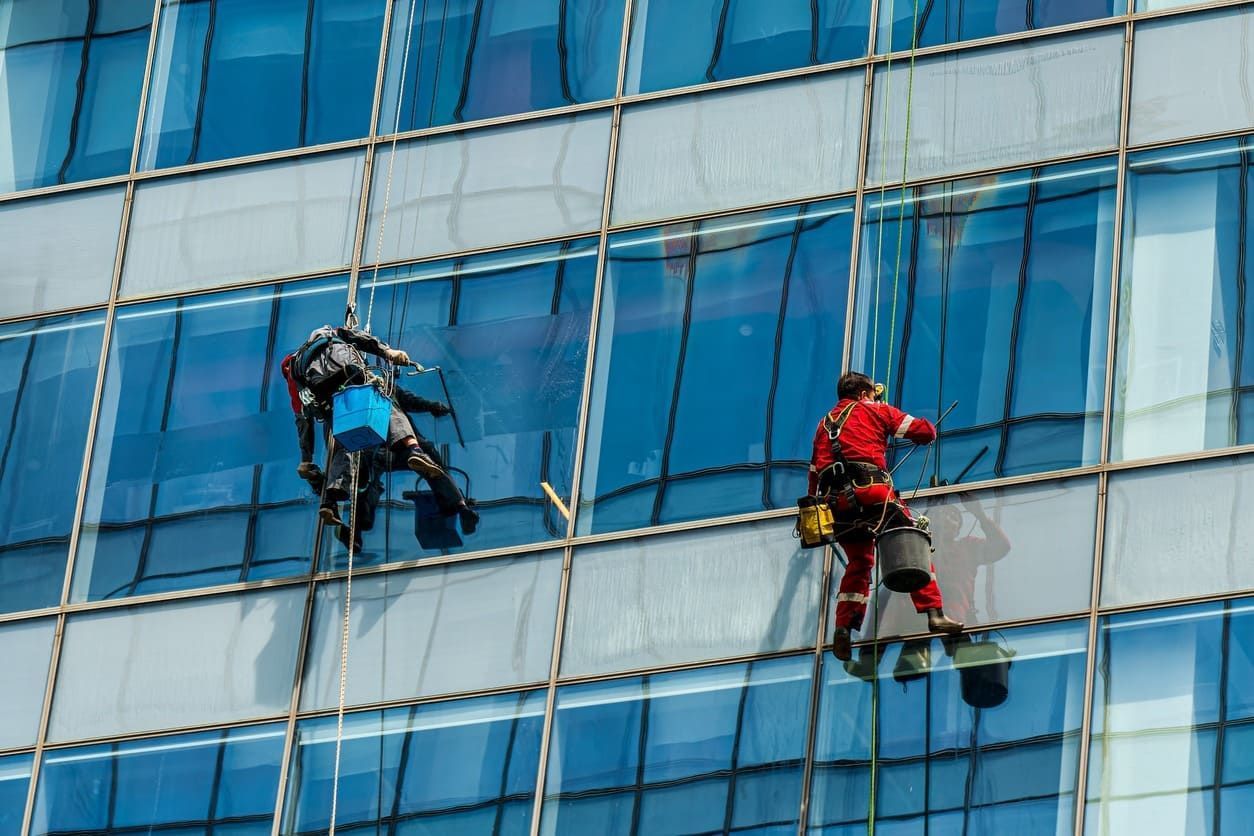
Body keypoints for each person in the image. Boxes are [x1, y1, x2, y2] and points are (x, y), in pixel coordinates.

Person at [808, 371, 963, 662]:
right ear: (865, 394)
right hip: (873, 493)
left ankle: (843, 628)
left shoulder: (823, 425)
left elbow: (814, 472)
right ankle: (935, 613)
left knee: (860, 562)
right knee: (911, 539)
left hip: (835, 505)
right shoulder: (874, 409)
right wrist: (894, 414)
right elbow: (923, 431)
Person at [279, 324, 477, 544]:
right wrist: (387, 352)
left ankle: (337, 508)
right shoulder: (335, 336)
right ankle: (448, 492)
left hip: (346, 418)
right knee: (392, 411)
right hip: (389, 443)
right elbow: (408, 398)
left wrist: (306, 458)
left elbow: (302, 418)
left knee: (351, 455)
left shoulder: (297, 368)